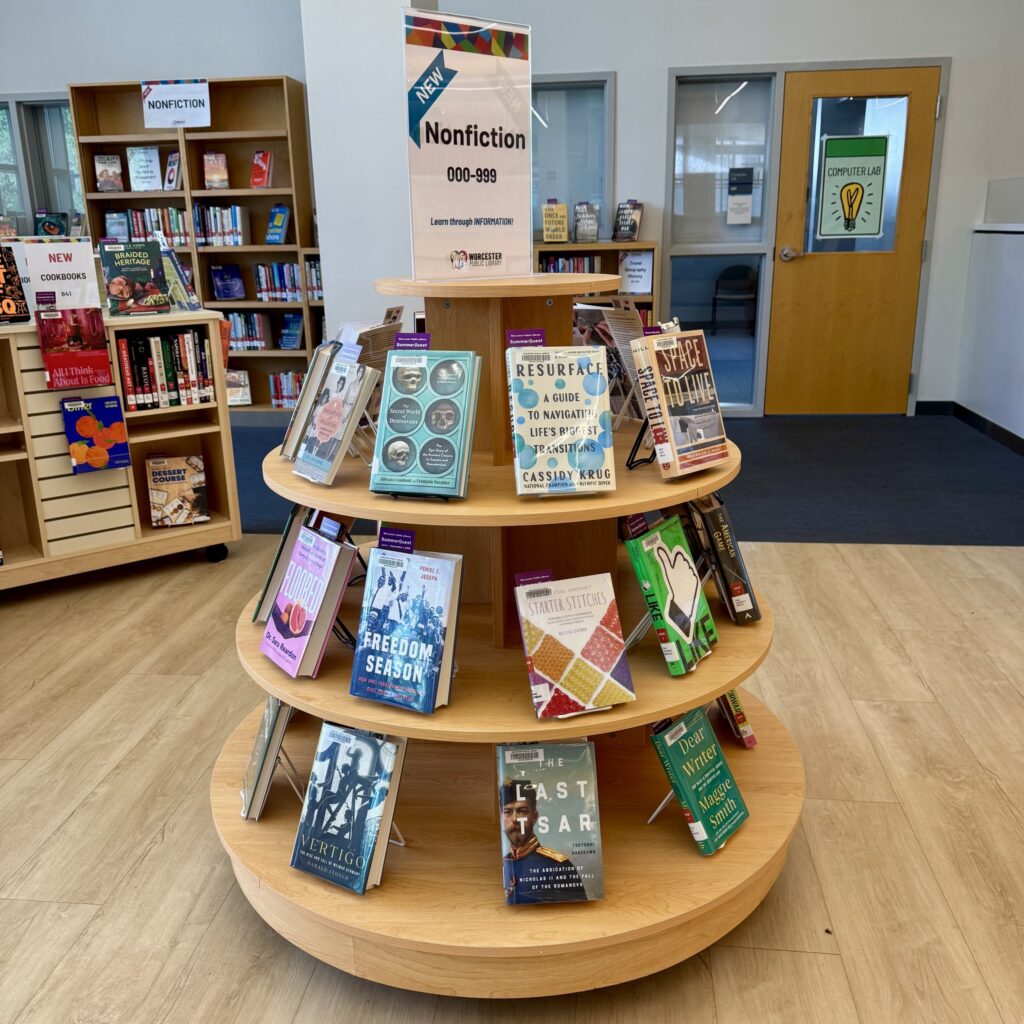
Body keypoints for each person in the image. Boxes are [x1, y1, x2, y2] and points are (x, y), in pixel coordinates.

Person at [501, 779, 588, 904]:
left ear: (534, 816)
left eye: (522, 811)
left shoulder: (559, 866)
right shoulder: (503, 864)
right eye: (507, 812)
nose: (514, 819)